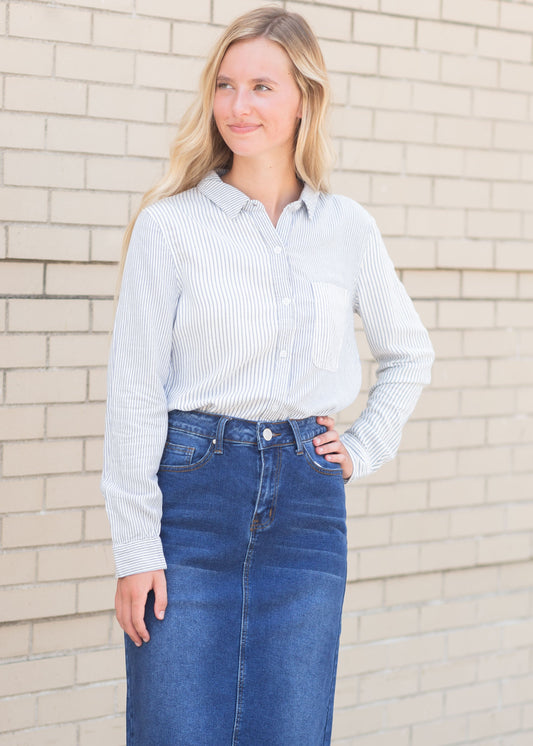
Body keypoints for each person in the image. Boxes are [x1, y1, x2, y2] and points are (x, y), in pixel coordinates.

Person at [101, 6, 434, 745]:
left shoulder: (347, 229)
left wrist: (364, 445)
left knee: (291, 730)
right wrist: (135, 549)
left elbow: (410, 352)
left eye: (260, 86)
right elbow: (133, 391)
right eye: (224, 86)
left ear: (303, 100)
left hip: (307, 511)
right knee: (173, 728)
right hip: (191, 499)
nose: (236, 106)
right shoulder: (172, 227)